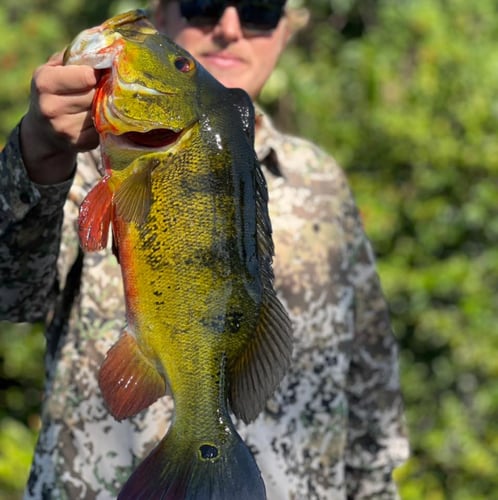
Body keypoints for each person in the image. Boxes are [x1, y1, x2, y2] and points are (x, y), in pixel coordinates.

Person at [0, 0, 409, 498]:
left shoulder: (323, 181)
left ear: (287, 27)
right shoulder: (82, 163)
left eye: (260, 10)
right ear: (162, 15)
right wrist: (38, 153)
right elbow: (10, 294)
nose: (230, 29)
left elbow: (372, 412)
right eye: (203, 4)